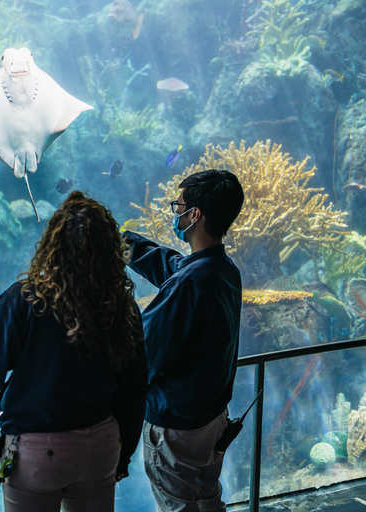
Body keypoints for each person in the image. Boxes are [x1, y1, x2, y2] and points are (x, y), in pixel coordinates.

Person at [0, 191, 147, 512]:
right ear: (109, 249)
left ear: (52, 246)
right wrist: (123, 452)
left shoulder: (25, 299)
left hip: (38, 453)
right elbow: (134, 387)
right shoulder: (121, 303)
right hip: (101, 446)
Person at [123, 169, 244, 512]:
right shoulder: (223, 271)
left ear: (194, 215)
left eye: (178, 205)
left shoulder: (189, 284)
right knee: (208, 499)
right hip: (212, 419)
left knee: (179, 506)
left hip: (177, 427)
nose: (174, 211)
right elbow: (176, 267)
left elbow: (145, 353)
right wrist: (123, 240)